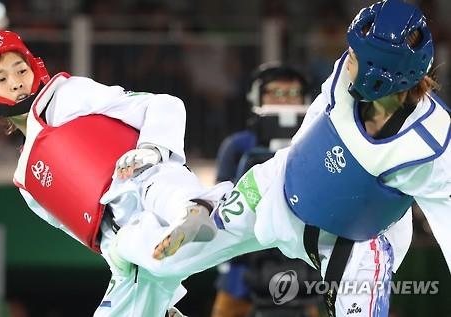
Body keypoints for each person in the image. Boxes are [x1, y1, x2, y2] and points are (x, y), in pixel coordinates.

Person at [112, 1, 451, 316]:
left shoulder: (430, 145)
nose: (347, 55)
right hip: (279, 191)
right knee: (168, 260)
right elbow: (308, 141)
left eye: (356, 53)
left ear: (380, 74)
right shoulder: (345, 75)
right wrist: (223, 204)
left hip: (354, 240)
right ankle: (127, 241)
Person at [0, 30, 231, 317]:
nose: (16, 83)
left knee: (166, 189)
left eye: (21, 70)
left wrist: (151, 150)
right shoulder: (26, 179)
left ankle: (201, 206)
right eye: (1, 79)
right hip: (127, 233)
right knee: (132, 266)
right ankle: (158, 301)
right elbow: (93, 235)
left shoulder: (68, 94)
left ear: (35, 68)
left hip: (147, 178)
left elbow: (164, 104)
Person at [212, 63, 320, 317]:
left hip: (300, 258)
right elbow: (221, 197)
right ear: (257, 96)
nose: (285, 101)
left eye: (292, 94)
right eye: (277, 93)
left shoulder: (317, 142)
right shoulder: (238, 145)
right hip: (245, 260)